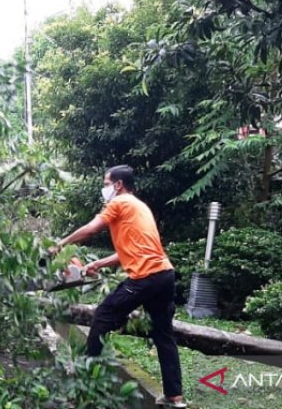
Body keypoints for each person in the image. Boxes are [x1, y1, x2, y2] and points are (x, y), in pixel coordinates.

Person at [50, 165, 185, 408]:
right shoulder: (140, 206)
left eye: (106, 183)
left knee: (102, 317)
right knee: (163, 334)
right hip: (164, 275)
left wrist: (60, 244)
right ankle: (175, 398)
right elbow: (133, 249)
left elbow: (91, 229)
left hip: (146, 277)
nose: (104, 188)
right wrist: (100, 263)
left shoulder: (119, 203)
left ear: (118, 185)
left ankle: (85, 387)